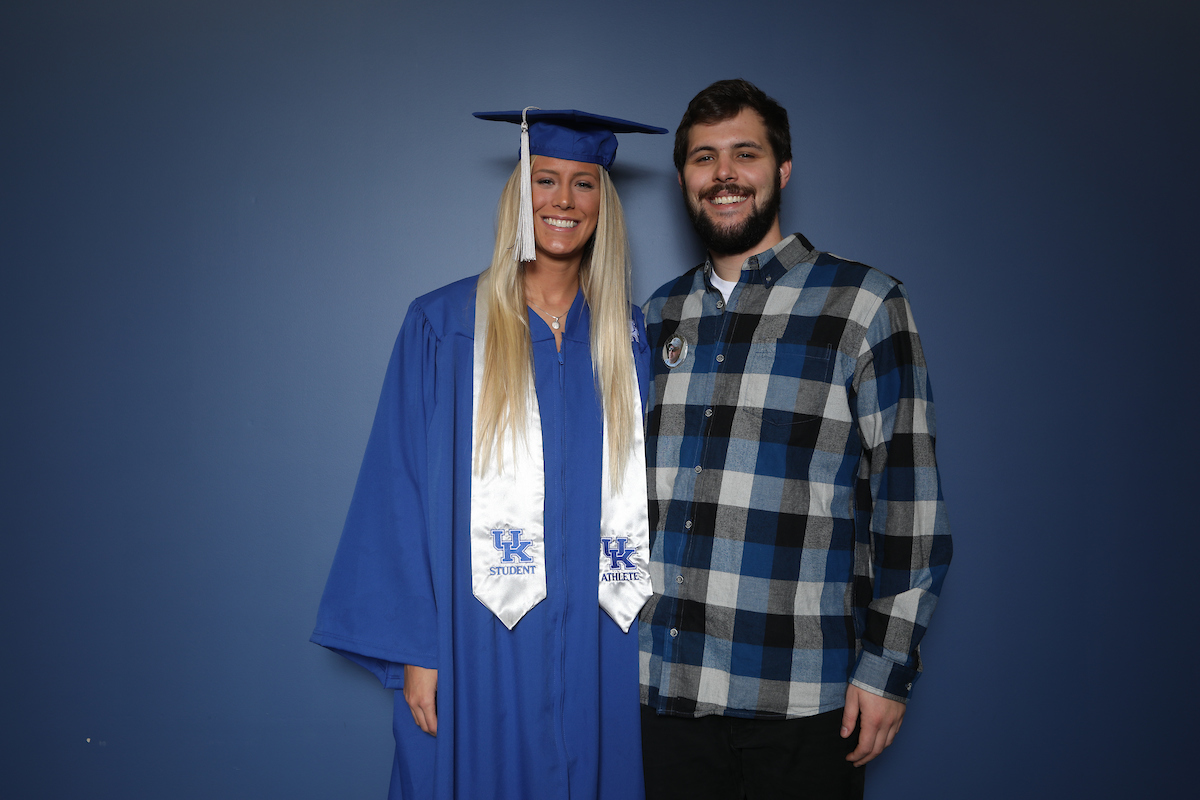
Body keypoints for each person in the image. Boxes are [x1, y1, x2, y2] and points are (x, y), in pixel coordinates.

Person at [312, 108, 667, 800]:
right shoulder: (444, 327)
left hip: (602, 640)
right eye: (545, 180)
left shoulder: (629, 340)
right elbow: (397, 489)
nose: (564, 201)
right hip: (474, 637)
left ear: (604, 205)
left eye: (584, 184)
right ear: (518, 196)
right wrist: (416, 650)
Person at [638, 79, 953, 799]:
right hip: (665, 694)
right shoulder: (656, 317)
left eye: (744, 154)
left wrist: (888, 669)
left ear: (781, 169)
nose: (723, 174)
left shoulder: (863, 304)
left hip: (802, 699)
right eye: (703, 158)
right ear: (683, 179)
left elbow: (909, 500)